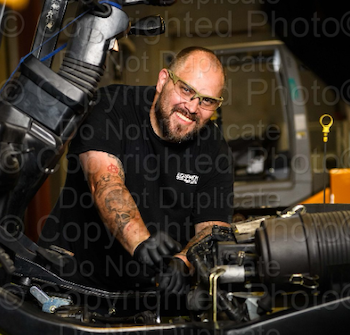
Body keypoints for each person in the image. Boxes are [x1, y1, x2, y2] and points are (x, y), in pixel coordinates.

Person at [38, 46, 234, 295]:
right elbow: (105, 183)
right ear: (163, 80)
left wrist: (183, 262)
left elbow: (211, 230)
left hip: (148, 293)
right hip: (73, 281)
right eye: (186, 90)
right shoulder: (112, 107)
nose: (193, 107)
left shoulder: (214, 149)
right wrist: (141, 242)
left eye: (207, 100)